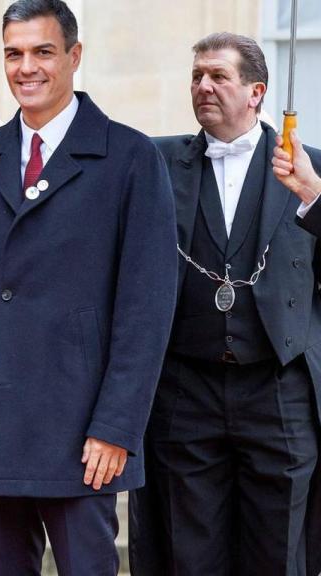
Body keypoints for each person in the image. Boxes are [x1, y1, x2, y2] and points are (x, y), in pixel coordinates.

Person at [0, 1, 177, 574]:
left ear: (74, 55)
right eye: (13, 54)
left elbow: (146, 311)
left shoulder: (131, 158)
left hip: (83, 438)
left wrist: (116, 427)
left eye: (42, 52)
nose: (26, 68)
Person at [127, 32, 321, 576]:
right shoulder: (157, 161)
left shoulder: (311, 168)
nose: (203, 86)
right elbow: (71, 169)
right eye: (197, 76)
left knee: (278, 555)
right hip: (185, 394)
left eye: (218, 76)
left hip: (279, 392)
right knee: (189, 556)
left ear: (257, 92)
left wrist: (313, 195)